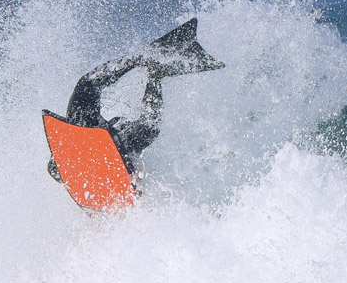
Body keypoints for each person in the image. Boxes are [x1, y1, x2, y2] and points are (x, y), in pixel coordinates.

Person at [47, 18, 224, 182]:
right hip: (88, 137)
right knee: (89, 87)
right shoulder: (67, 158)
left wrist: (134, 176)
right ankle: (152, 70)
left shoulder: (117, 140)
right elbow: (56, 167)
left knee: (91, 88)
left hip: (106, 138)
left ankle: (146, 62)